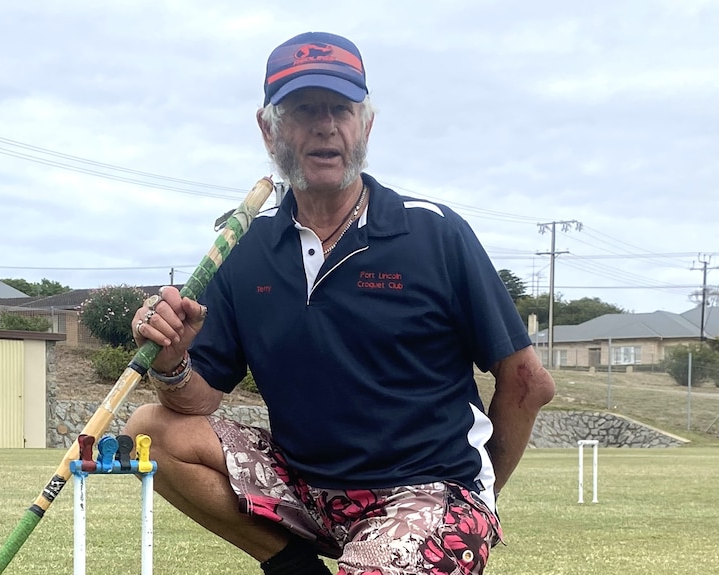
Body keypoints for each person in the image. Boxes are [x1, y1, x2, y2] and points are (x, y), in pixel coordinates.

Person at [123, 31, 556, 575]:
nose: (326, 125)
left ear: (366, 125)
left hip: (427, 491)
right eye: (303, 110)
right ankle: (294, 565)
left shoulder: (435, 234)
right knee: (150, 428)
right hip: (308, 490)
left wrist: (472, 498)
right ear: (268, 130)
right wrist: (170, 363)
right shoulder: (245, 249)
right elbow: (197, 401)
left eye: (341, 109)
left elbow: (527, 383)